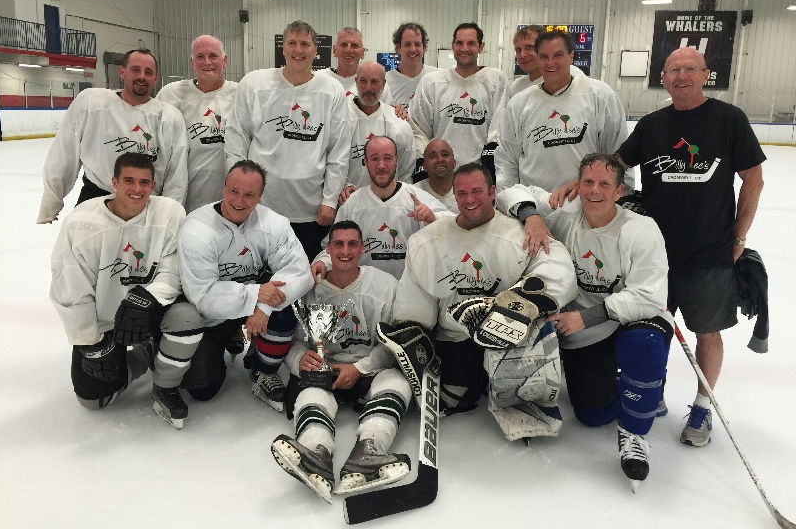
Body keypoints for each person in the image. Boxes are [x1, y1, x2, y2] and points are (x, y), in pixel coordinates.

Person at [616, 47, 765, 448]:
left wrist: (739, 237)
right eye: (673, 70)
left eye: (690, 69)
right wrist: (578, 181)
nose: (681, 76)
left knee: (707, 333)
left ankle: (702, 406)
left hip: (709, 253)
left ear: (705, 75)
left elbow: (753, 179)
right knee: (653, 330)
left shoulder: (728, 119)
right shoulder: (652, 125)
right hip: (654, 256)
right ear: (663, 79)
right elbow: (615, 166)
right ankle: (655, 389)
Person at [497, 153, 674, 488]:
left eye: (604, 184)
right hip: (588, 332)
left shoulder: (640, 229)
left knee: (644, 345)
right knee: (591, 416)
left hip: (632, 319)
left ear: (619, 191)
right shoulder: (566, 214)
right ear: (577, 185)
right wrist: (532, 216)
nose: (595, 190)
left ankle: (635, 432)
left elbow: (649, 297)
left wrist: (586, 316)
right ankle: (631, 384)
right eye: (588, 182)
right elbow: (510, 192)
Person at [383, 162, 577, 444]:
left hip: (510, 340)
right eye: (461, 193)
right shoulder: (427, 240)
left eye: (476, 191)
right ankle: (476, 383)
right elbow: (416, 293)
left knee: (533, 340)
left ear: (492, 192)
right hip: (457, 339)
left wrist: (525, 302)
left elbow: (558, 266)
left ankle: (520, 393)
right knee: (457, 397)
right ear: (454, 196)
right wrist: (415, 330)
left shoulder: (519, 232)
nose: (469, 199)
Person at [49, 153, 202, 427]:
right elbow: (70, 288)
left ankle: (165, 387)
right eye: (129, 180)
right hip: (105, 321)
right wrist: (92, 341)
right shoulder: (80, 223)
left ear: (153, 185)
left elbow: (174, 266)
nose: (137, 189)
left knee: (187, 318)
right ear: (114, 182)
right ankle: (146, 354)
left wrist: (150, 297)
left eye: (144, 182)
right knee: (94, 399)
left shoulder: (170, 212)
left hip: (150, 309)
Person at [271, 220, 412, 503]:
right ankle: (316, 454)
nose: (345, 251)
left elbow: (393, 342)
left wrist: (359, 369)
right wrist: (300, 358)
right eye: (338, 244)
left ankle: (369, 451)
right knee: (309, 393)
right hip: (325, 369)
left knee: (398, 382)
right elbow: (293, 342)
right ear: (328, 249)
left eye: (352, 244)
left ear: (362, 248)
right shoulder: (309, 288)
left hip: (368, 368)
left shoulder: (385, 285)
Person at [177, 160, 314, 414]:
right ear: (223, 188)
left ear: (260, 197)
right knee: (203, 391)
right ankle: (228, 335)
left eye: (249, 194)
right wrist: (256, 293)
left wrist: (263, 306)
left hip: (255, 305)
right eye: (234, 191)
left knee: (287, 297)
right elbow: (203, 297)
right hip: (212, 314)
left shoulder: (273, 223)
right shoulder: (196, 229)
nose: (240, 200)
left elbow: (301, 273)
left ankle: (264, 369)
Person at [224, 20, 351, 262]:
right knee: (260, 276)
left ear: (315, 50)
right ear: (283, 48)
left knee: (306, 276)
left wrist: (330, 201)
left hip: (311, 212)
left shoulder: (332, 90)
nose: (298, 50)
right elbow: (236, 140)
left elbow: (339, 151)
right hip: (261, 207)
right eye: (292, 43)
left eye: (305, 44)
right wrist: (239, 194)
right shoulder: (254, 84)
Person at [38, 49, 188, 224]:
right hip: (97, 200)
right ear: (122, 72)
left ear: (155, 79)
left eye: (148, 72)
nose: (142, 76)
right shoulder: (91, 103)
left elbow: (176, 174)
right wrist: (50, 204)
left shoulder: (169, 116)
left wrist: (170, 216)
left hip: (146, 204)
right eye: (135, 70)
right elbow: (65, 152)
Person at [495, 30, 633, 197]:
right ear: (537, 59)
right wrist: (514, 203)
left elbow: (619, 155)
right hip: (535, 205)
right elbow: (507, 161)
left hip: (587, 203)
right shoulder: (519, 103)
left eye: (558, 55)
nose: (550, 63)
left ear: (571, 57)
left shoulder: (600, 95)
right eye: (544, 56)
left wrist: (622, 197)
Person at [312, 136, 449, 280]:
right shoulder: (352, 204)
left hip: (410, 286)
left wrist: (433, 218)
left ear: (397, 160)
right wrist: (323, 262)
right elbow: (334, 246)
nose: (381, 165)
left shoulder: (416, 197)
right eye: (375, 159)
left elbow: (455, 224)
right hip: (366, 288)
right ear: (365, 162)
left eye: (387, 158)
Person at [411, 22, 509, 173]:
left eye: (471, 43)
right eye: (459, 43)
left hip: (479, 174)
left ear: (481, 47)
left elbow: (500, 126)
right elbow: (418, 129)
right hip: (440, 174)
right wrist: (424, 163)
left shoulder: (496, 80)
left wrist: (491, 163)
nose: (464, 48)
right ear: (453, 45)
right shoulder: (432, 83)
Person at [157, 35, 238, 213]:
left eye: (213, 56)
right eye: (200, 56)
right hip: (185, 201)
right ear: (192, 62)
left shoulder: (240, 94)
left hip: (229, 202)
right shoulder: (171, 95)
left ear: (225, 61)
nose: (207, 62)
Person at [340, 61, 415, 204]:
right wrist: (343, 186)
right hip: (349, 203)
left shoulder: (398, 123)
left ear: (384, 83)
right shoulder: (340, 118)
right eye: (363, 81)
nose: (368, 88)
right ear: (356, 81)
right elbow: (331, 162)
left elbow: (406, 171)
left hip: (390, 205)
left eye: (374, 81)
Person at [316, 27, 394, 103]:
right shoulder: (318, 79)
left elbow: (388, 110)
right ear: (334, 50)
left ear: (362, 53)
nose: (348, 50)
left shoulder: (376, 84)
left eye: (354, 45)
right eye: (343, 45)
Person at [508, 25, 584, 99]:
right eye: (518, 50)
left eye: (529, 47)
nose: (522, 55)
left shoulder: (574, 77)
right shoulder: (517, 87)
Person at [385, 22, 439, 113]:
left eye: (417, 44)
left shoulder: (438, 78)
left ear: (424, 48)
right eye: (407, 44)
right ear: (398, 48)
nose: (413, 49)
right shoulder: (384, 82)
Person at [413, 139, 459, 213]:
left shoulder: (468, 190)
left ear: (454, 163)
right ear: (424, 167)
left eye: (445, 155)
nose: (440, 160)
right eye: (432, 156)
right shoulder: (414, 193)